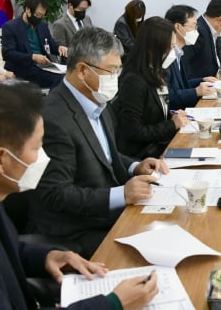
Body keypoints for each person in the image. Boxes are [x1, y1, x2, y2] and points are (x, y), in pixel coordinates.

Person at [0, 81, 158, 310]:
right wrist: (112, 306)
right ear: (0, 160)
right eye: (37, 148)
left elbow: (0, 249)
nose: (43, 158)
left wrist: (45, 257)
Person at [27, 27, 168, 258]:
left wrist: (135, 165)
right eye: (111, 71)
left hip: (105, 213)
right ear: (82, 70)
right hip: (76, 229)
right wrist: (120, 194)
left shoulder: (96, 101)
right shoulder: (54, 119)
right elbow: (56, 194)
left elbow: (102, 152)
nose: (116, 78)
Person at [115, 17, 189, 159]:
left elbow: (154, 113)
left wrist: (172, 116)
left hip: (159, 145)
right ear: (152, 49)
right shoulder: (134, 81)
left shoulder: (157, 71)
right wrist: (171, 125)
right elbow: (132, 131)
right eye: (170, 47)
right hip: (144, 155)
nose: (172, 52)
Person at [1, 0, 67, 89]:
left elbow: (51, 46)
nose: (39, 18)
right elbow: (8, 53)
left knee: (69, 77)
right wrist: (32, 57)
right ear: (27, 10)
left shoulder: (42, 26)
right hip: (22, 68)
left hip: (43, 67)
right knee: (60, 79)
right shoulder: (11, 27)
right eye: (37, 15)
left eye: (42, 16)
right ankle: (51, 103)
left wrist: (60, 48)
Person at [164, 5, 217, 110]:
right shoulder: (167, 56)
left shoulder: (179, 52)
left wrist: (202, 80)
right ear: (178, 27)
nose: (196, 31)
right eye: (193, 26)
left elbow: (182, 85)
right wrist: (195, 92)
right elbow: (166, 96)